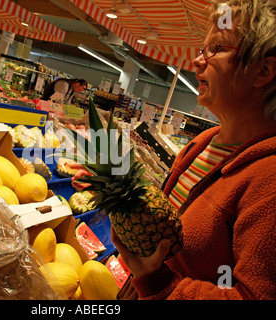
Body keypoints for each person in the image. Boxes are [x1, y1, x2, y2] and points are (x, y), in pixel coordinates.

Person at [73, 0, 276, 300]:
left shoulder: (268, 179)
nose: (196, 60)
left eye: (216, 48)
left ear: (263, 71)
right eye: (202, 48)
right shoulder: (202, 143)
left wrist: (158, 283)